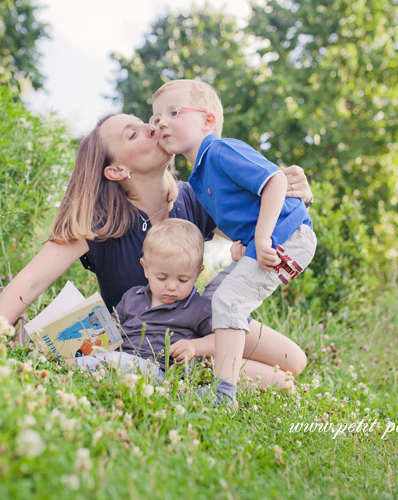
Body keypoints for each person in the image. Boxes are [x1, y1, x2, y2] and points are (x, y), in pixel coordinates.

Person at [0, 112, 312, 389]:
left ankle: (198, 363)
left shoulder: (193, 198)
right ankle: (190, 372)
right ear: (116, 170)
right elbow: (28, 284)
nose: (153, 127)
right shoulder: (99, 220)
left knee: (293, 361)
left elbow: (262, 215)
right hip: (143, 340)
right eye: (133, 134)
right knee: (280, 381)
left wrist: (294, 192)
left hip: (193, 321)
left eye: (146, 122)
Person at [150, 79, 317, 405]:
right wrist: (244, 242)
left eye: (173, 112)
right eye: (155, 118)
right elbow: (239, 215)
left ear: (208, 121)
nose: (162, 123)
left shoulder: (220, 150)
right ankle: (249, 380)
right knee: (222, 299)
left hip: (290, 234)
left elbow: (275, 180)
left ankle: (223, 392)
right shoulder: (199, 177)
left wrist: (261, 236)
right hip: (272, 236)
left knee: (228, 300)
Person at [66, 219, 214, 381]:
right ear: (146, 268)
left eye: (183, 280)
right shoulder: (133, 297)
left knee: (125, 362)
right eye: (162, 277)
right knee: (116, 358)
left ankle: (73, 365)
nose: (172, 286)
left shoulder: (199, 308)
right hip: (122, 359)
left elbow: (220, 340)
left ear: (197, 274)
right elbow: (112, 327)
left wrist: (194, 346)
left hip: (161, 369)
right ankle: (74, 359)